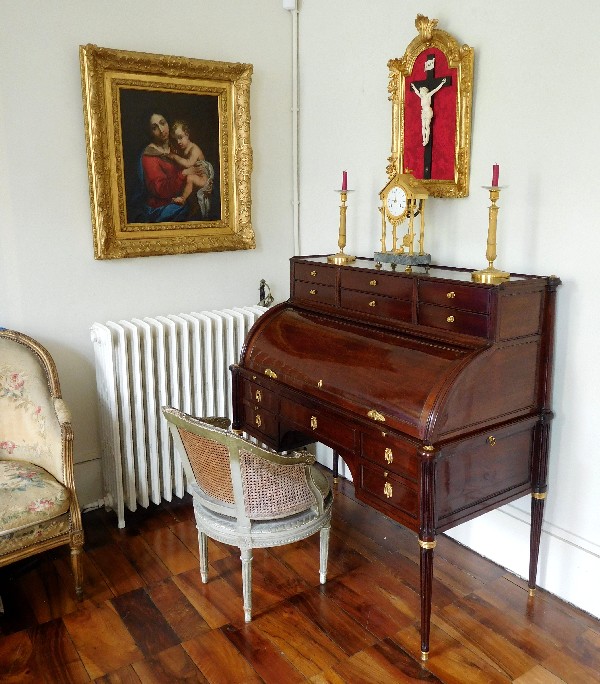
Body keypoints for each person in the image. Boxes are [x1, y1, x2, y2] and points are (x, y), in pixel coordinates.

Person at [136, 112, 190, 222]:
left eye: (162, 123)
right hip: (161, 207)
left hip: (182, 198)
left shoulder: (175, 145)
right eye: (154, 128)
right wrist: (183, 174)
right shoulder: (149, 156)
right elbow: (160, 190)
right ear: (150, 132)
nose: (161, 130)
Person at [168, 120, 214, 217]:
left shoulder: (194, 149)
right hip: (195, 180)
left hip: (203, 180)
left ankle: (182, 199)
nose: (178, 142)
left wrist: (175, 157)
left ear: (187, 134)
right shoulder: (183, 149)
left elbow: (189, 163)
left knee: (190, 178)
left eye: (180, 137)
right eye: (176, 139)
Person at [411, 78, 447, 146]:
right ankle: (424, 139)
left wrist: (442, 83)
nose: (420, 92)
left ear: (424, 91)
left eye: (421, 91)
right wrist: (414, 87)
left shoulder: (428, 95)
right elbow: (417, 92)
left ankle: (427, 139)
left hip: (428, 111)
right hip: (424, 112)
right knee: (423, 126)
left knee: (427, 126)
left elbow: (435, 90)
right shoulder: (422, 97)